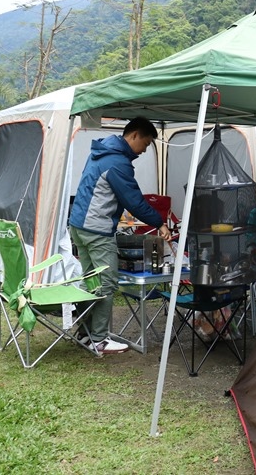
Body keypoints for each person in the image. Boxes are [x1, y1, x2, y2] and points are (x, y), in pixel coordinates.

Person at [69, 117, 172, 355]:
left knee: (91, 282)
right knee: (106, 282)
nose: (145, 150)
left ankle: (85, 334)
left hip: (79, 225)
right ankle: (99, 339)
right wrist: (159, 223)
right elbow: (133, 201)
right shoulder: (118, 163)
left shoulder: (100, 151)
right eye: (145, 144)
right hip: (96, 229)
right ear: (134, 135)